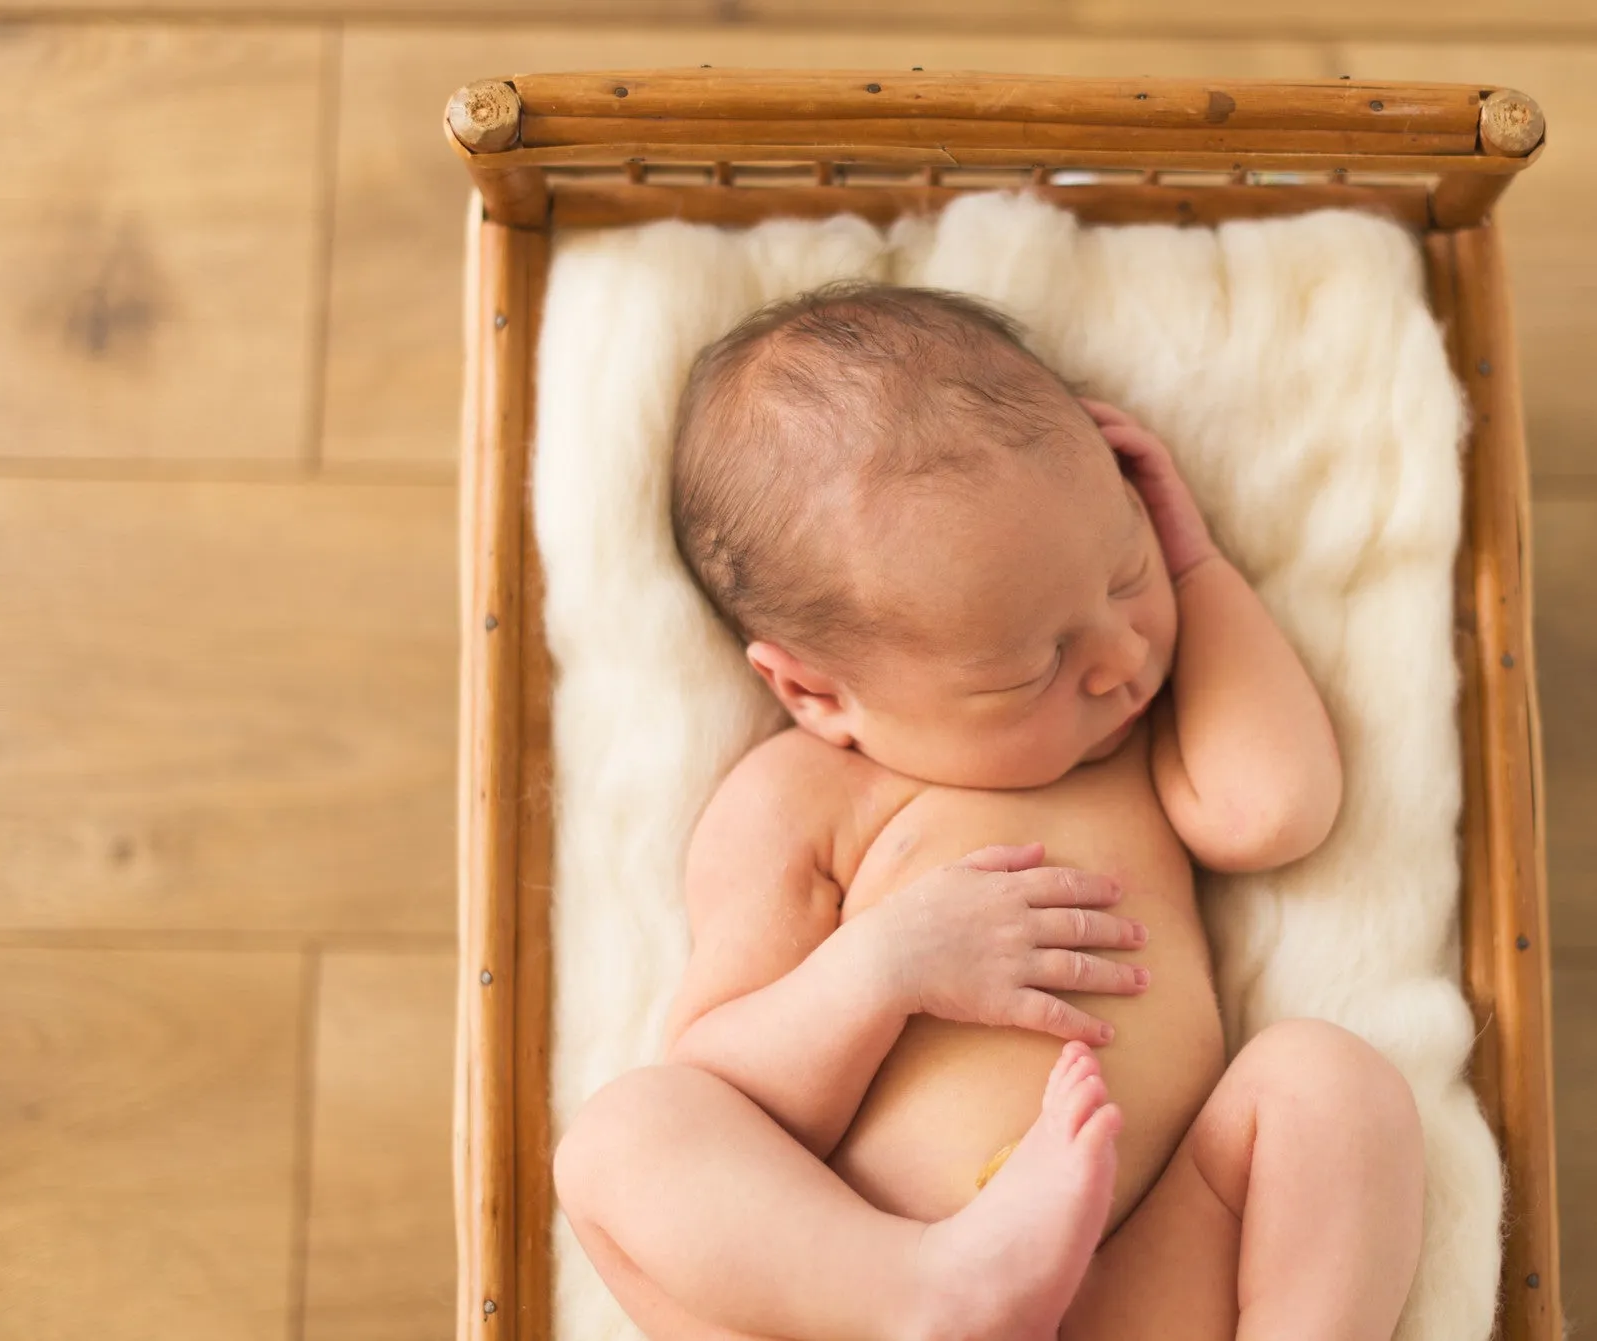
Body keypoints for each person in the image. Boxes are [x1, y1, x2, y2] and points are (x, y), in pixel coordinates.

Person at [554, 283, 1425, 1341]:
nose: (1119, 658)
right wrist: (883, 969)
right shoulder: (803, 799)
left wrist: (1192, 566)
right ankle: (934, 1285)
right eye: (1035, 666)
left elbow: (1273, 810)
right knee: (623, 1137)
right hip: (877, 1283)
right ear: (816, 695)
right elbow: (729, 1085)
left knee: (1330, 1086)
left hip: (1129, 1272)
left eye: (1124, 569)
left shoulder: (1132, 745)